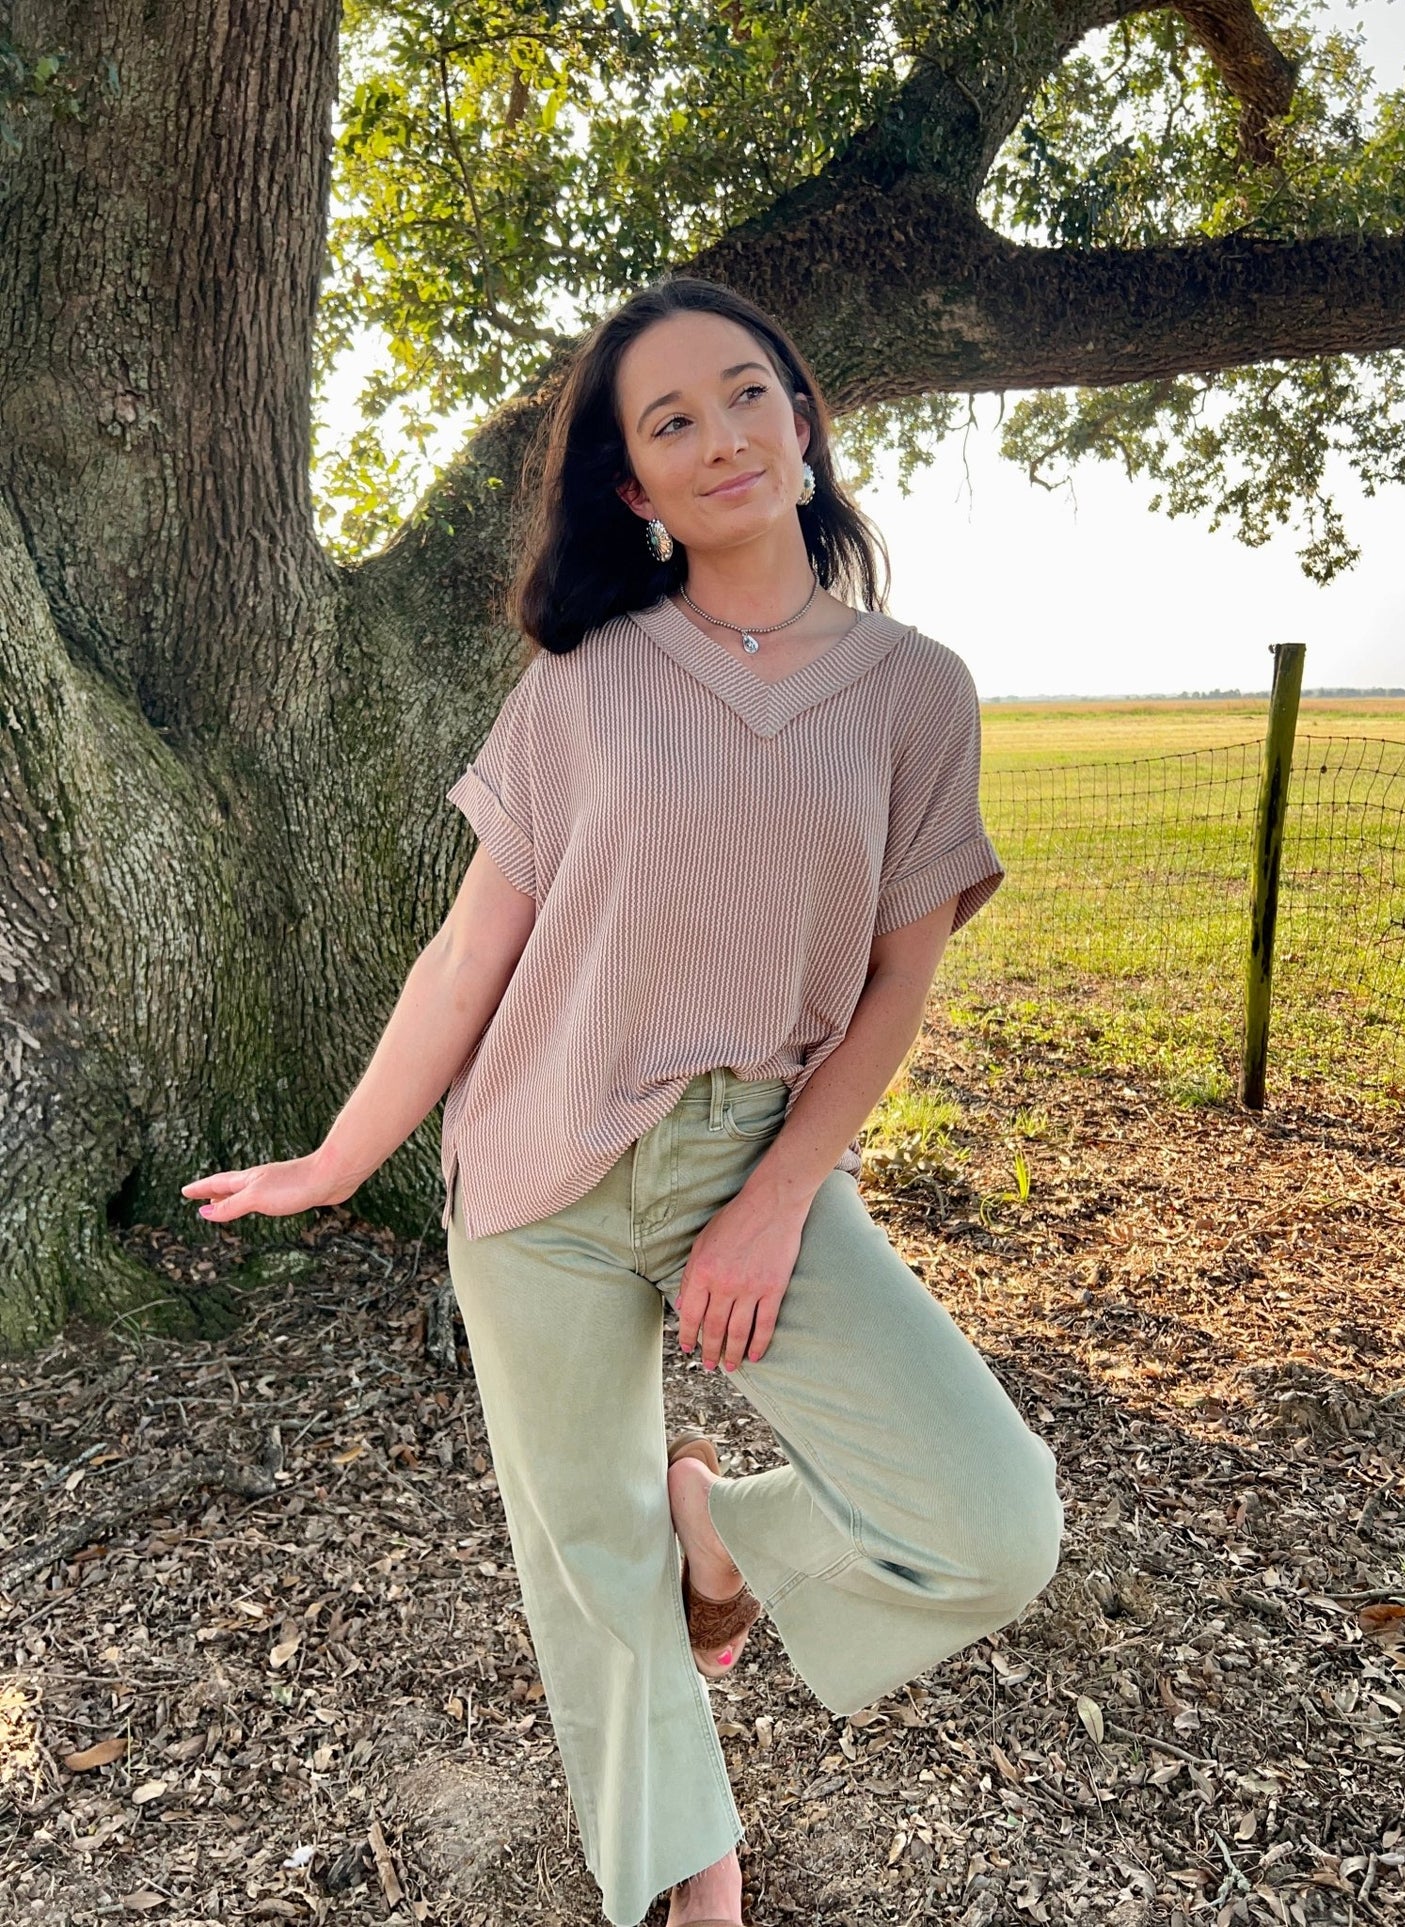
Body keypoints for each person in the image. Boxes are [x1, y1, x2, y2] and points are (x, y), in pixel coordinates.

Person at [181, 275, 1065, 1927]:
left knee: (992, 1522)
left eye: (746, 394)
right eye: (671, 422)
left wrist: (777, 1199)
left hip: (753, 1155)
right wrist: (341, 1157)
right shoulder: (584, 681)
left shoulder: (915, 691)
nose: (720, 436)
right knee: (588, 1558)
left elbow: (898, 985)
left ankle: (720, 1538)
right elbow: (470, 952)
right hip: (541, 1167)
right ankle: (685, 1863)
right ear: (630, 484)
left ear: (802, 422)